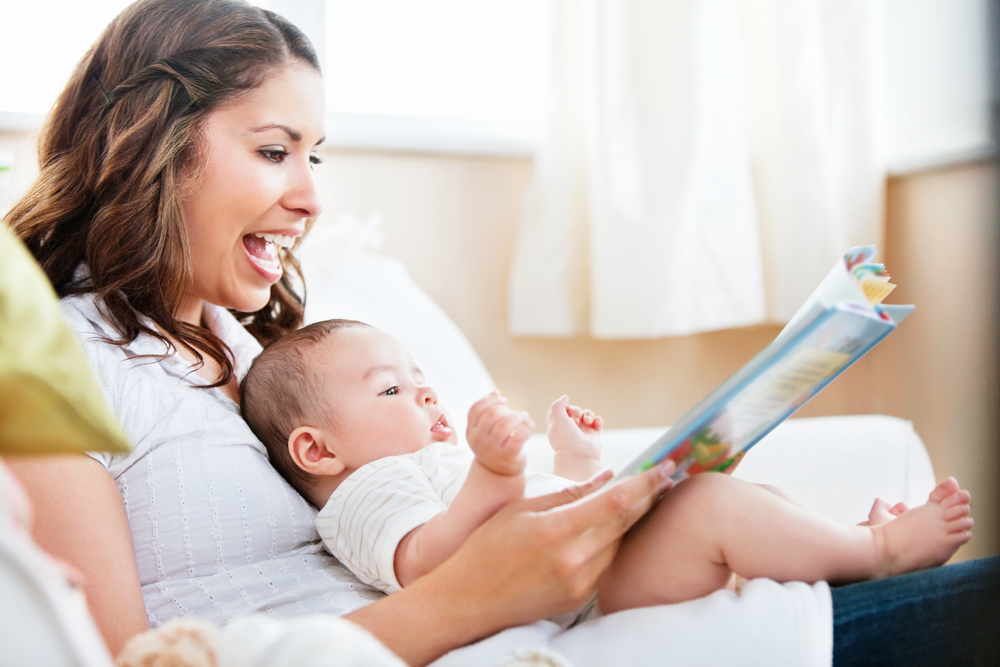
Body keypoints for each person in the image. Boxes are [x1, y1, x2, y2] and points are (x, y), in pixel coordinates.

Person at [2, 0, 998, 665]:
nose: (308, 197)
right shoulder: (55, 364)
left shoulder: (264, 347)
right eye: (273, 151)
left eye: (315, 154)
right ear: (151, 143)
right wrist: (471, 594)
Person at [240, 319, 973, 615]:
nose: (425, 392)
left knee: (748, 496)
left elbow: (537, 506)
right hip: (587, 595)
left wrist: (573, 459)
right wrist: (494, 472)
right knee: (710, 509)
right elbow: (429, 562)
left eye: (420, 375)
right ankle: (878, 551)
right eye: (392, 389)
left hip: (590, 559)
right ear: (317, 449)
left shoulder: (429, 462)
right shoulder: (364, 492)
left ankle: (843, 543)